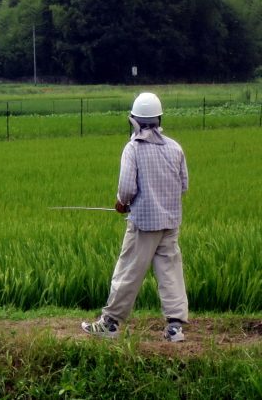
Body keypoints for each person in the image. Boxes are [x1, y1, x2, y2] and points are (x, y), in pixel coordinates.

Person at [81, 91, 189, 342]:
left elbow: (127, 188)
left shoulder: (133, 148)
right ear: (159, 119)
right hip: (170, 223)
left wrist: (121, 203)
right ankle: (175, 328)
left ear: (135, 121)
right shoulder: (175, 148)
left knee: (128, 270)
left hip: (143, 224)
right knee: (170, 272)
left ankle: (110, 324)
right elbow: (183, 186)